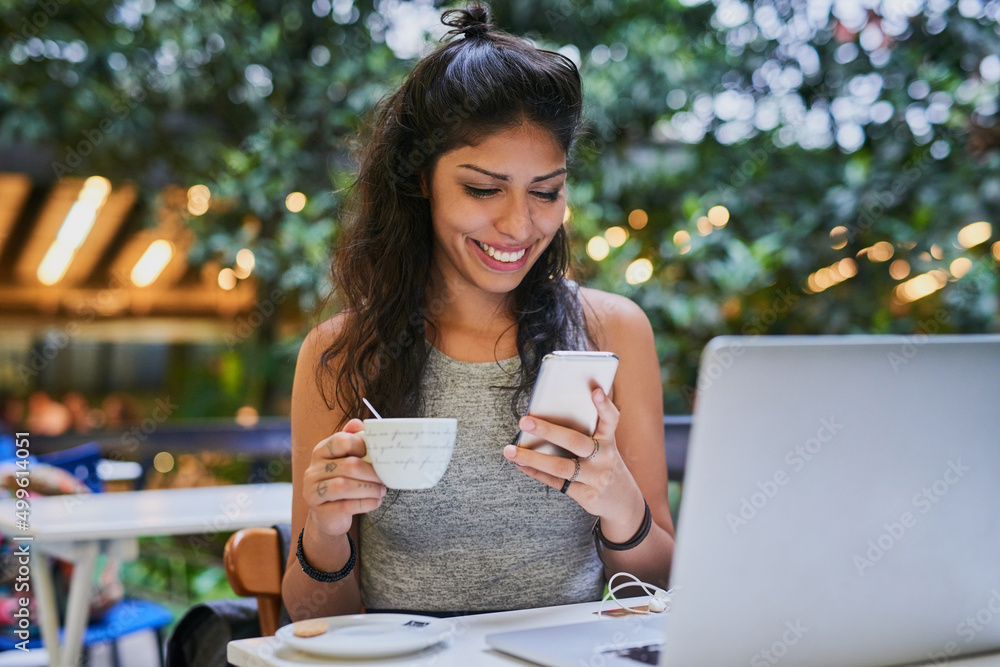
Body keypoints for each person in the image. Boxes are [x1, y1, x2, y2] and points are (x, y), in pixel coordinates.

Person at [283, 4, 675, 621]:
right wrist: (325, 534)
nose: (520, 225)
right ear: (420, 181)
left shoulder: (612, 331)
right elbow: (310, 618)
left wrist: (621, 504)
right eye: (484, 189)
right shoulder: (341, 351)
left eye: (546, 191)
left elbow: (658, 585)